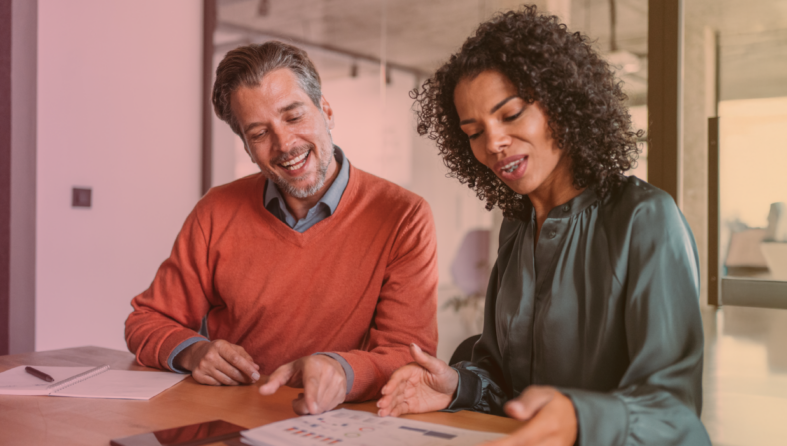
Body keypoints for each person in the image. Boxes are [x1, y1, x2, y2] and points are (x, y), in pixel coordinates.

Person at [376, 6, 710, 446]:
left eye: (510, 114)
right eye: (474, 131)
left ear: (561, 102)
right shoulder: (515, 227)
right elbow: (502, 376)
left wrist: (580, 418)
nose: (493, 143)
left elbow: (674, 410)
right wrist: (458, 386)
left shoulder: (644, 218)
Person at [124, 41, 438, 416]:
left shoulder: (404, 215)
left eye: (294, 117)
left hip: (337, 425)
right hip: (226, 420)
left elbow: (408, 354)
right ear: (246, 145)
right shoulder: (215, 210)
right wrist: (193, 352)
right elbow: (146, 320)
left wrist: (341, 369)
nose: (285, 144)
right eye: (259, 133)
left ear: (326, 110)